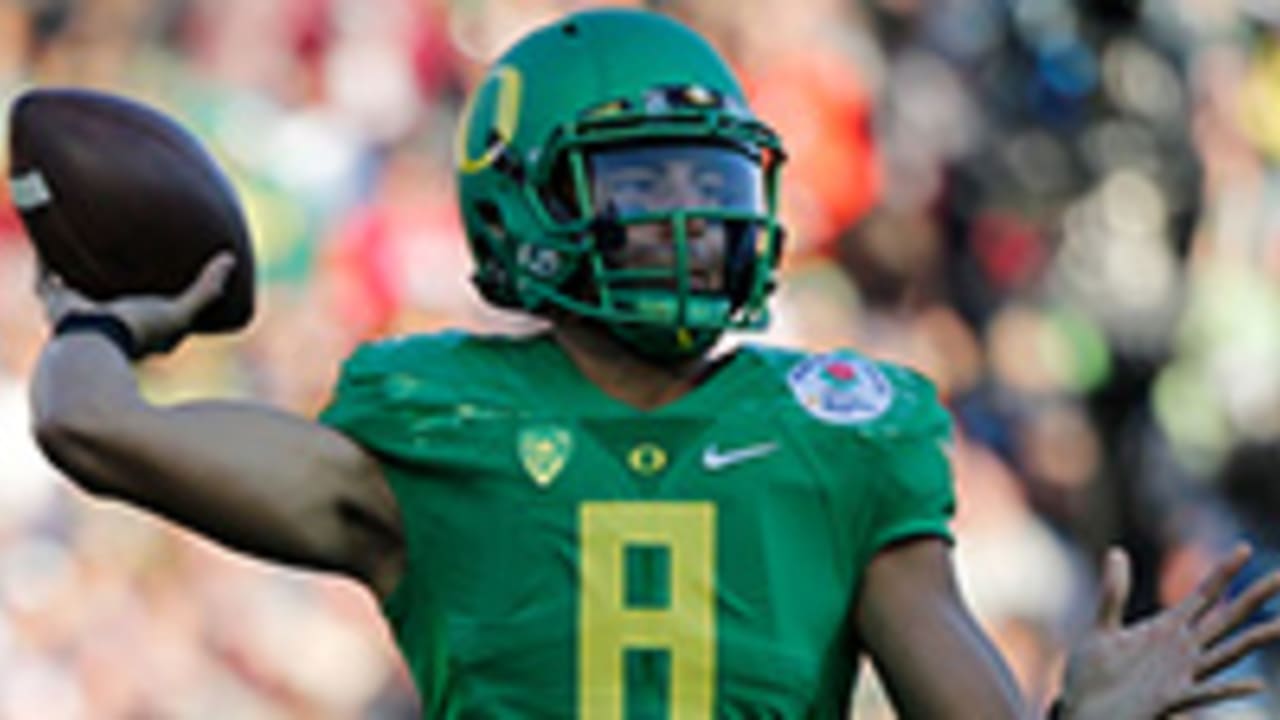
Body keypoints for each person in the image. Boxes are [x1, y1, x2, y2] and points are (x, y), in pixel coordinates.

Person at [27, 8, 1280, 719]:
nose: (694, 223)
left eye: (713, 181)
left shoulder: (845, 427)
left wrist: (1077, 718)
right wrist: (107, 313)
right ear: (516, 209)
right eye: (641, 187)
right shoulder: (432, 424)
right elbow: (93, 430)